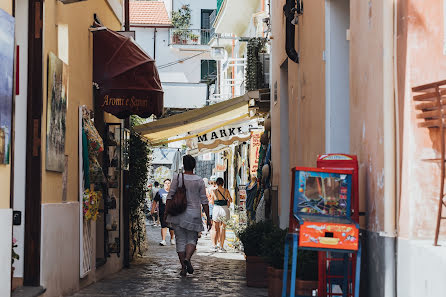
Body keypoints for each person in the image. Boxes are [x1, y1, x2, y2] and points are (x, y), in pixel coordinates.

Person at [166, 155, 212, 276]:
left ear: (183, 165)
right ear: (194, 166)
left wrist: (166, 213)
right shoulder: (199, 180)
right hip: (194, 214)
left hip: (178, 214)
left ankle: (183, 267)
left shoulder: (177, 178)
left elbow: (170, 196)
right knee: (192, 239)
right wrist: (208, 217)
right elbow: (204, 200)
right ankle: (187, 258)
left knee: (180, 240)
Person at [210, 177, 232, 252]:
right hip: (224, 209)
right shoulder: (226, 191)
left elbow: (212, 202)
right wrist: (227, 201)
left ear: (216, 183)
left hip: (216, 209)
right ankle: (221, 247)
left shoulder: (214, 191)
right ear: (223, 183)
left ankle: (213, 245)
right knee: (223, 228)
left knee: (215, 228)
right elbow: (231, 200)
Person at [151, 179, 175, 246]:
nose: (167, 184)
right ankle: (163, 240)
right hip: (163, 212)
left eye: (168, 183)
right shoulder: (160, 192)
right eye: (166, 183)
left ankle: (172, 238)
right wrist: (152, 209)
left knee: (171, 227)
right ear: (163, 184)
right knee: (163, 225)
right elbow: (155, 201)